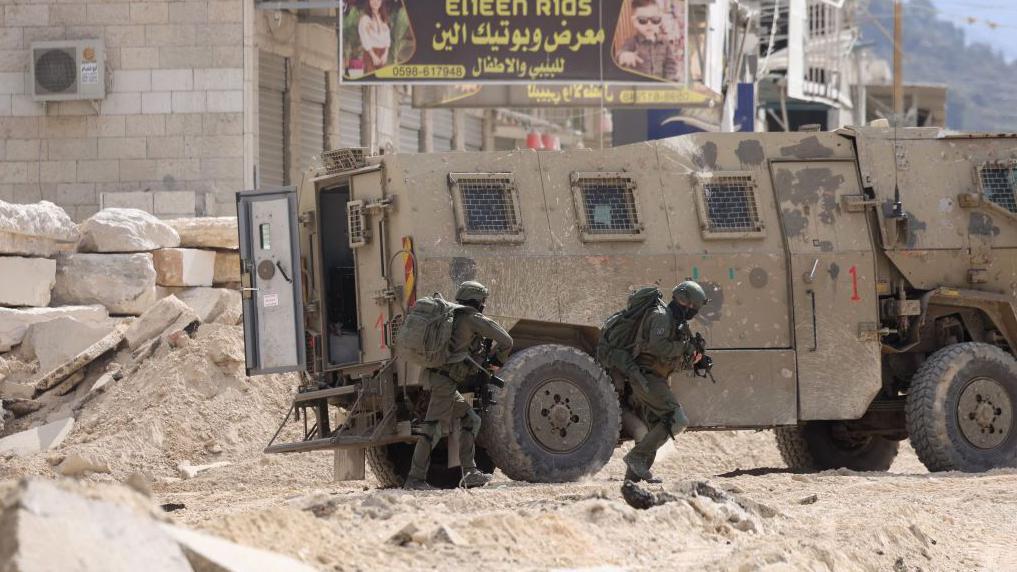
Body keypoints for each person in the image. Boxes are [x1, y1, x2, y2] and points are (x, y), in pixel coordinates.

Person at [404, 281, 513, 491]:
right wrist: (497, 362)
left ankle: (470, 473)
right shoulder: (473, 318)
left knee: (471, 420)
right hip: (444, 382)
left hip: (435, 377)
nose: (484, 305)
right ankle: (415, 479)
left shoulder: (450, 316)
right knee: (432, 429)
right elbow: (506, 340)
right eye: (483, 301)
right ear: (478, 301)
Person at [618, 281, 707, 483]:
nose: (693, 312)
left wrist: (693, 361)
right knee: (677, 420)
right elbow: (658, 347)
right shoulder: (660, 316)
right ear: (685, 302)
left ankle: (633, 478)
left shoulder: (674, 323)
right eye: (693, 307)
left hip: (653, 379)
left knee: (656, 426)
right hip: (645, 378)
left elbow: (668, 361)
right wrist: (684, 348)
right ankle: (636, 458)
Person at [616, 0, 679, 81]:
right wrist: (624, 55)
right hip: (640, 87)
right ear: (634, 22)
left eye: (655, 20)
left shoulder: (665, 43)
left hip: (660, 87)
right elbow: (620, 53)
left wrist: (670, 81)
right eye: (642, 20)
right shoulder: (632, 42)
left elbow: (670, 65)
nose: (649, 24)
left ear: (660, 21)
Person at [358, 0, 391, 74]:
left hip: (383, 54)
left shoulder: (383, 18)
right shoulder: (365, 19)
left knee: (383, 78)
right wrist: (373, 56)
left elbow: (387, 37)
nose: (376, 2)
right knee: (370, 78)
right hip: (371, 53)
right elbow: (364, 38)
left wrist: (386, 53)